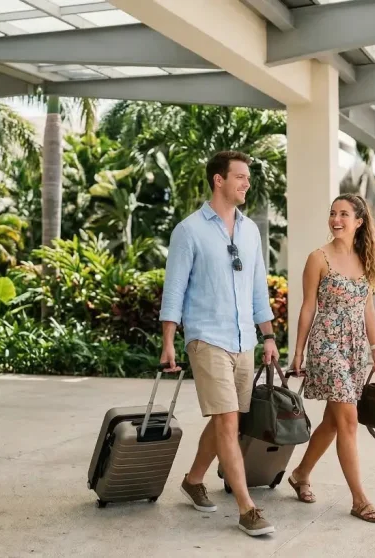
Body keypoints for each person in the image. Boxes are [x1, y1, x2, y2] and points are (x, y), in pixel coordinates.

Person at [158, 150, 278, 537]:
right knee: (227, 419)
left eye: (247, 177)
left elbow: (258, 287)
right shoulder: (189, 230)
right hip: (206, 337)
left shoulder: (250, 230)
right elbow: (174, 289)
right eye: (239, 176)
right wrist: (169, 343)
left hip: (244, 338)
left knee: (228, 417)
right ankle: (248, 509)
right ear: (218, 180)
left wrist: (269, 335)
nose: (246, 183)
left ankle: (194, 480)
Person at [286, 193, 375, 524]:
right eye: (333, 213)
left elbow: (367, 308)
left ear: (359, 222)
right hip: (326, 344)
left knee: (333, 421)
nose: (336, 219)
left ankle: (301, 474)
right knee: (347, 419)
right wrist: (298, 351)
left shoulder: (365, 259)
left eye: (344, 214)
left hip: (355, 348)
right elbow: (307, 307)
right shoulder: (318, 258)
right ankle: (359, 500)